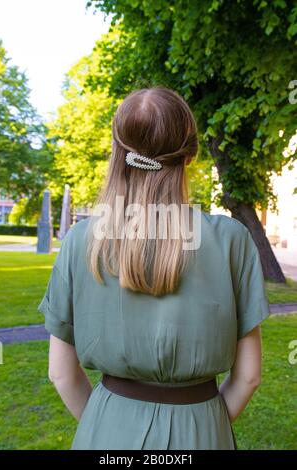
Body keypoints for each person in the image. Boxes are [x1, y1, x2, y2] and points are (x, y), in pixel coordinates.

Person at [38, 86, 270, 450]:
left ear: (118, 151)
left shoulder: (82, 240)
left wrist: (108, 426)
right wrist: (205, 427)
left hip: (106, 433)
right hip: (202, 432)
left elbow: (60, 372)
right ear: (190, 155)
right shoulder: (230, 239)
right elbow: (249, 377)